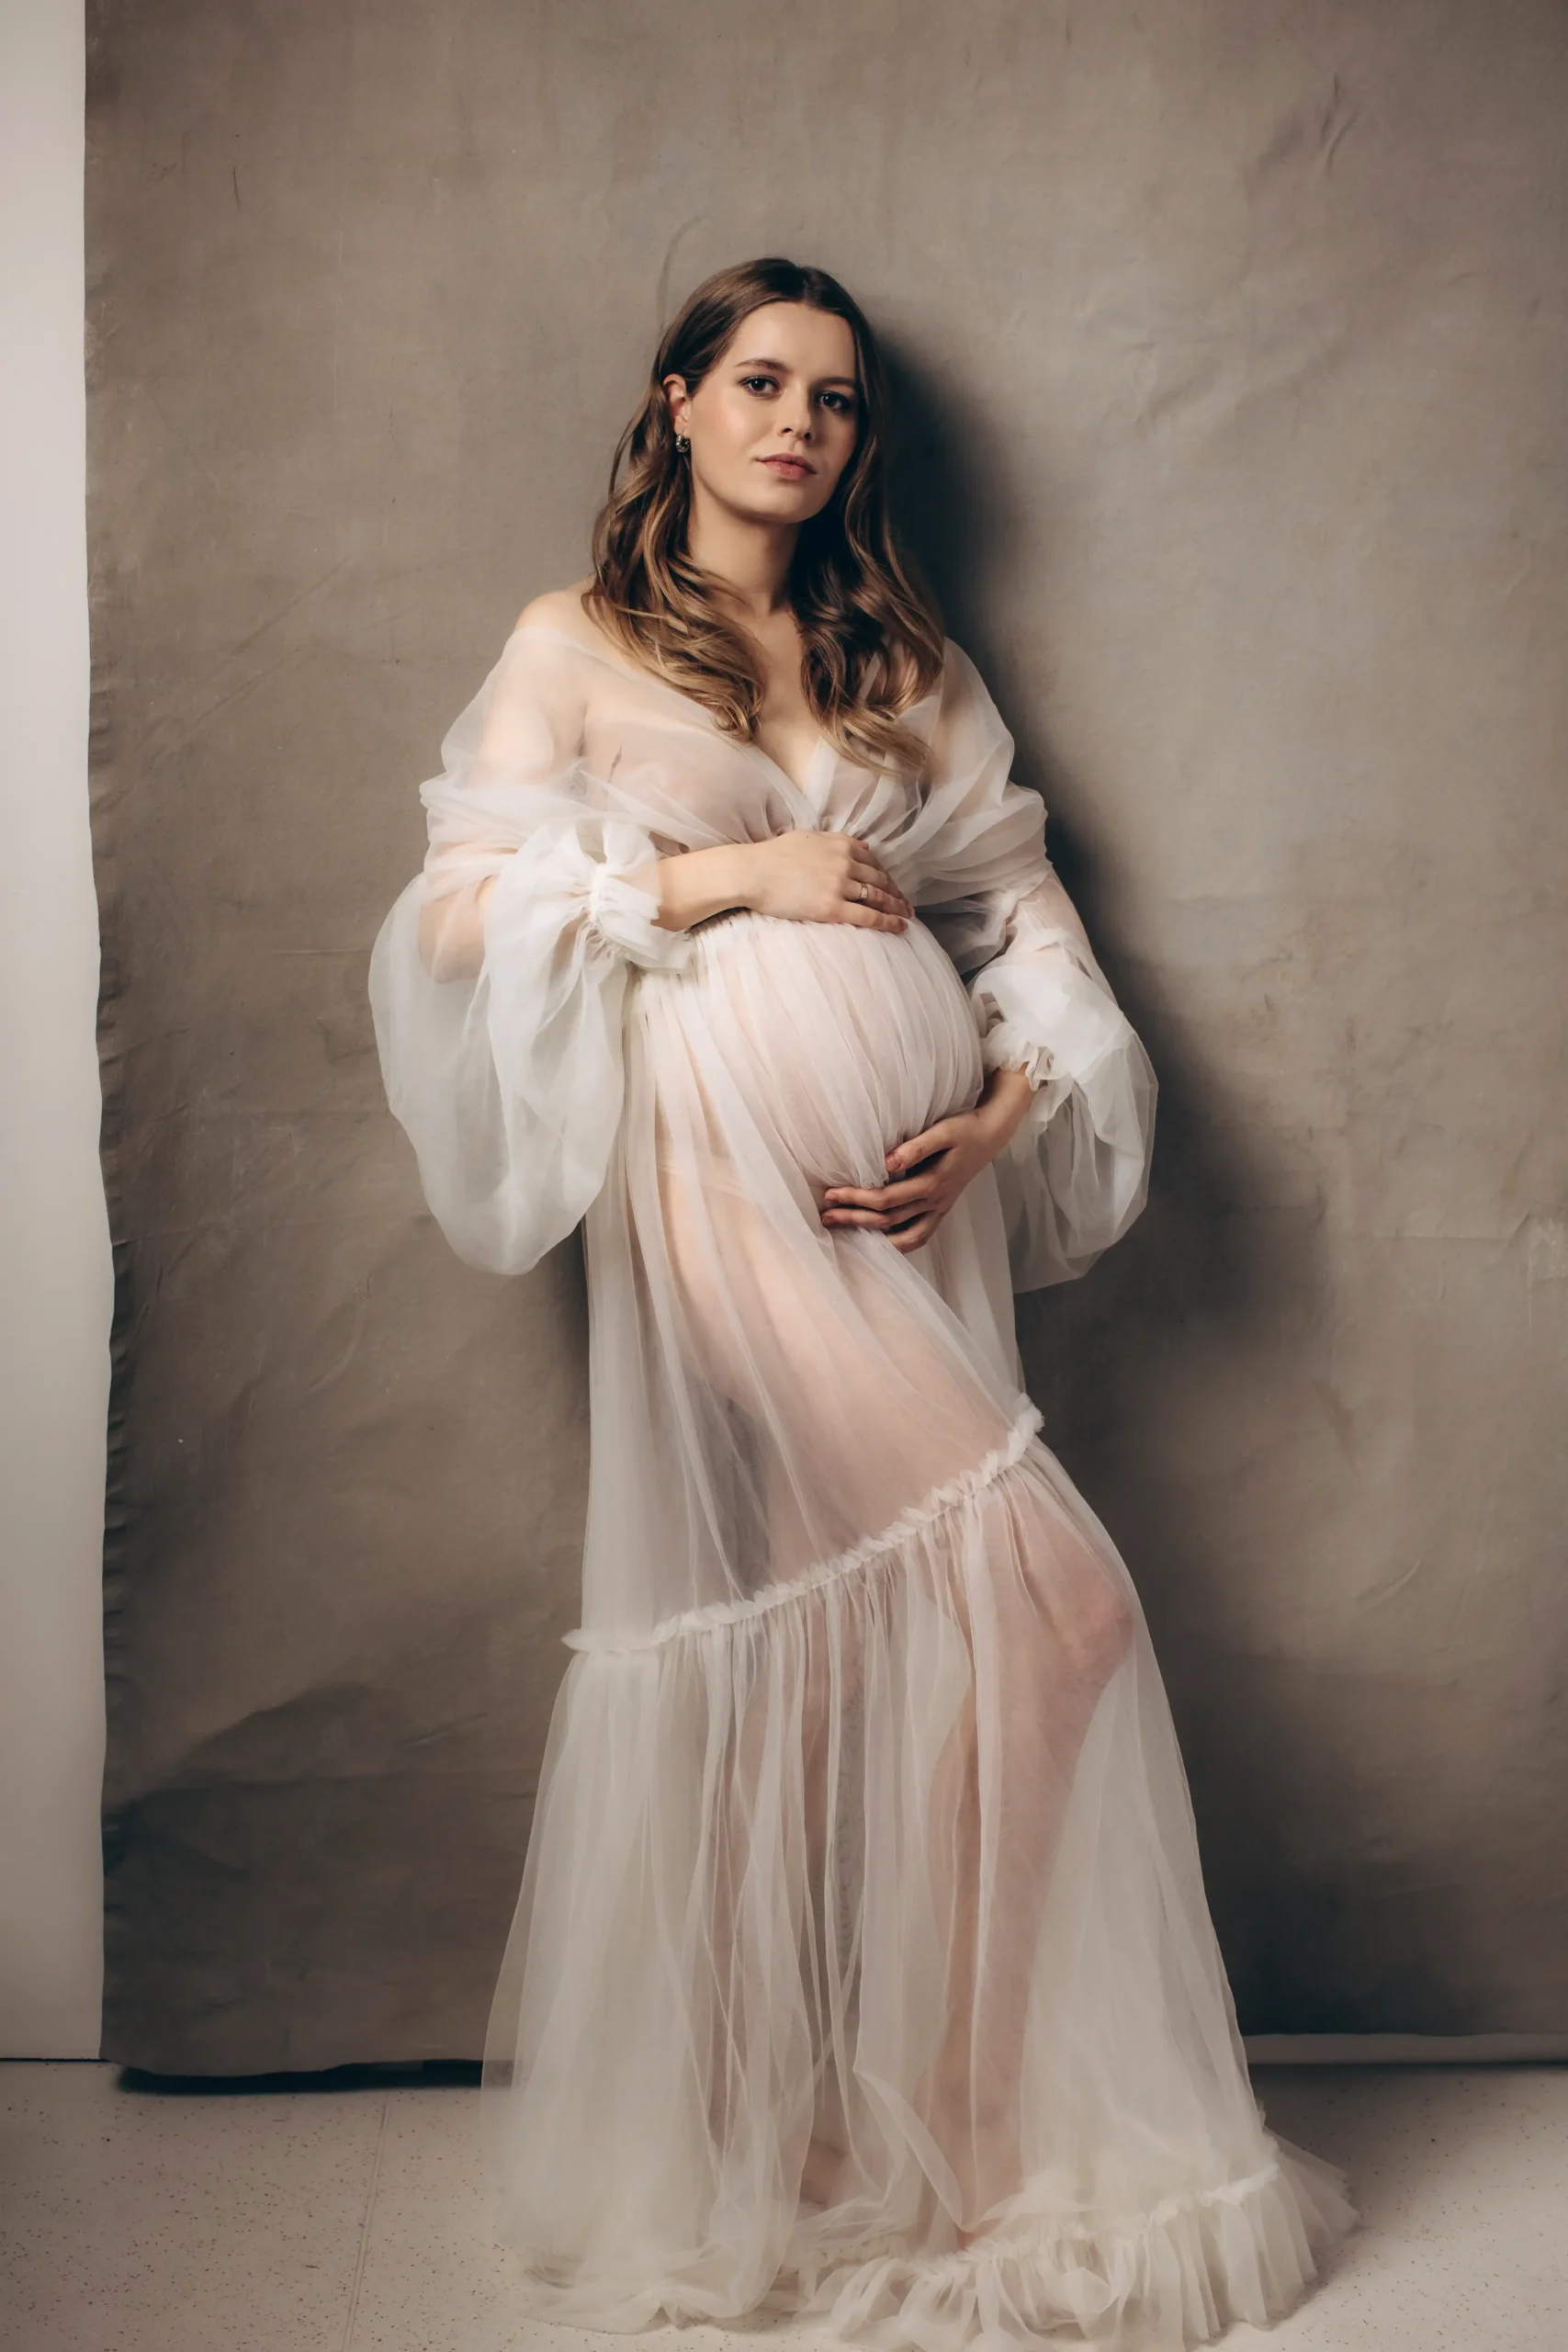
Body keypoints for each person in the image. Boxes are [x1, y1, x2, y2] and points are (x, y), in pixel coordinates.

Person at [367, 256, 1354, 2349]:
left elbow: (1024, 900)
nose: (799, 422)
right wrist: (734, 876)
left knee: (830, 1665)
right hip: (718, 1182)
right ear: (679, 401)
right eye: (759, 380)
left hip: (908, 1209)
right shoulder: (574, 643)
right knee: (1043, 1599)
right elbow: (457, 918)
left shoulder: (894, 651)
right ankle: (976, 2128)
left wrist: (1003, 1105)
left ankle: (792, 2119)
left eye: (832, 397)